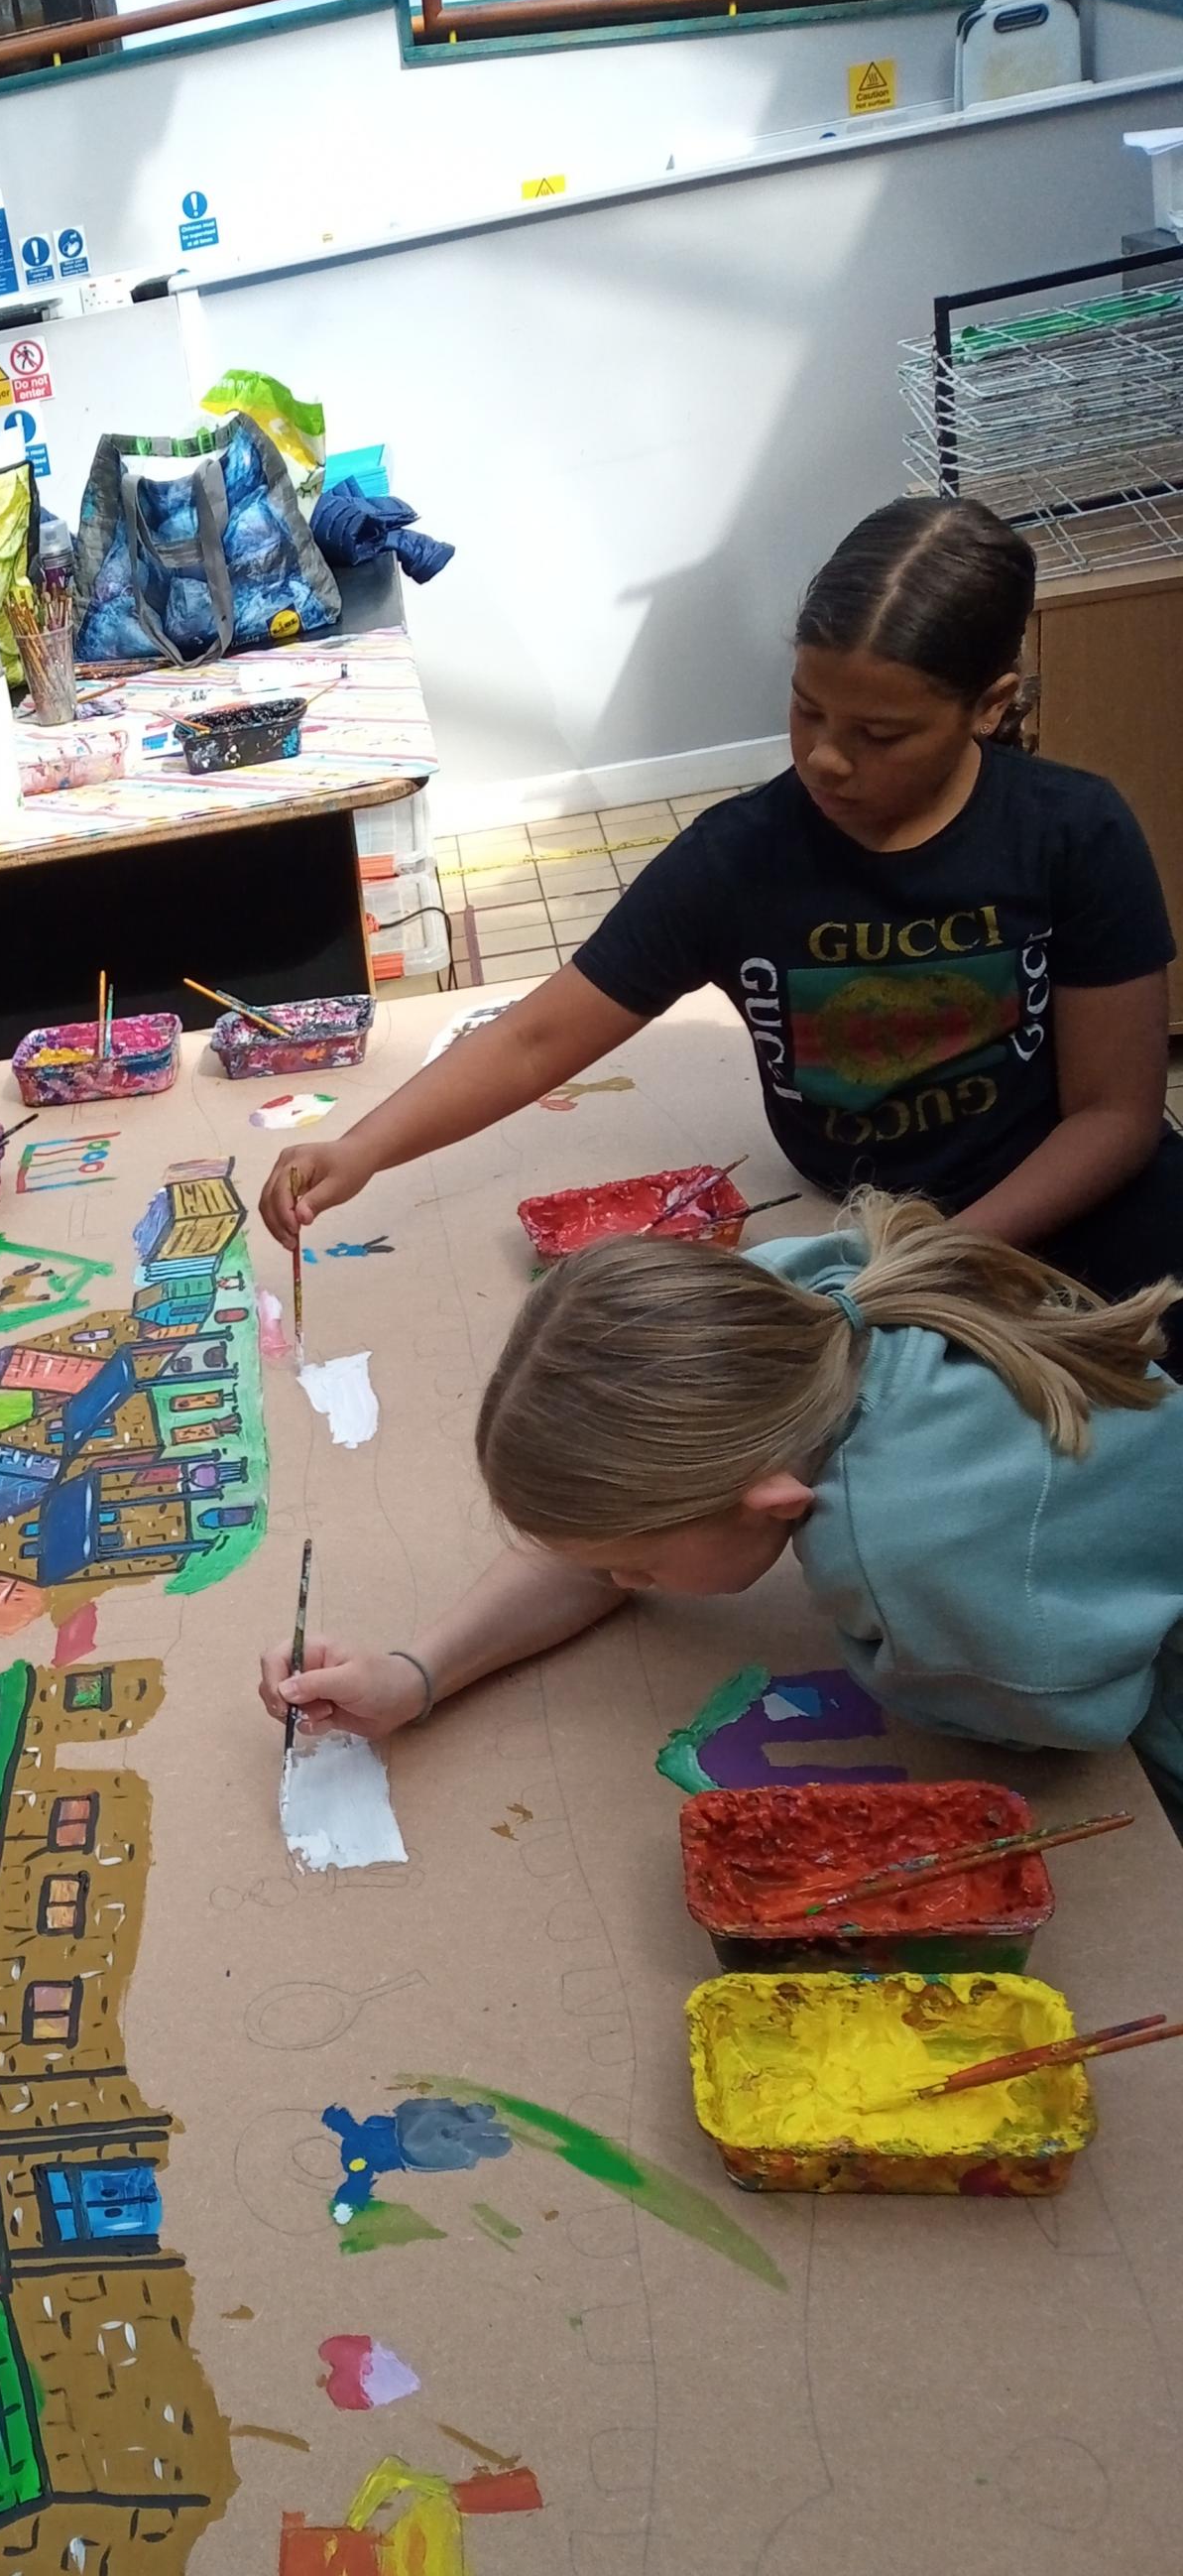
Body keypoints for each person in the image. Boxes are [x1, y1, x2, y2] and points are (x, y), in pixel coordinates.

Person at [266, 497, 1183, 1303]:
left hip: (1059, 1200)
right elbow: (534, 1036)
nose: (825, 756)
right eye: (807, 708)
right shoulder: (740, 860)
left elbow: (1115, 1117)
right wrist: (364, 1148)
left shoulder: (1073, 833)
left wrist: (944, 1259)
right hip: (856, 1224)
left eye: (879, 734)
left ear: (990, 707)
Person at [260, 1194, 1183, 1828]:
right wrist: (416, 1673)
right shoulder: (793, 1297)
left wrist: (926, 1642)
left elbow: (1084, 1722)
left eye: (642, 1570)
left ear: (773, 1503)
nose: (620, 1585)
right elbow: (605, 1541)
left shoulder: (909, 1570)